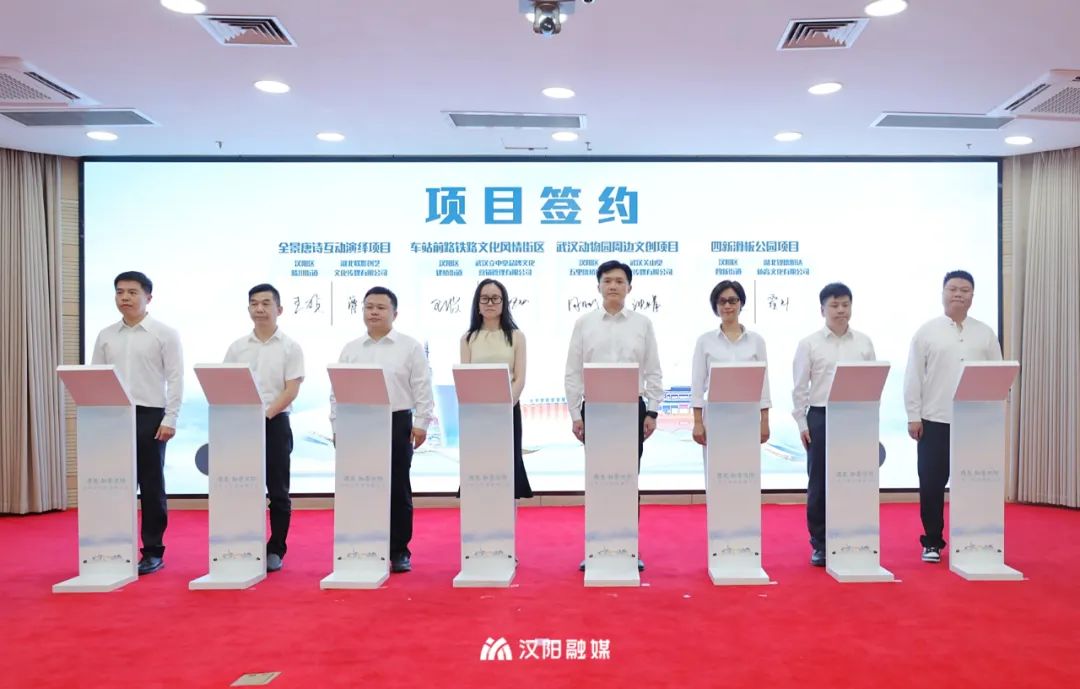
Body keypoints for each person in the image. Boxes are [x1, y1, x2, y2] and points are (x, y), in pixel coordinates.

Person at [565, 260, 663, 572]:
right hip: (595, 410)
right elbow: (572, 372)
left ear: (629, 287)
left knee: (627, 480)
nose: (613, 286)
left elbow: (653, 370)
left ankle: (627, 548)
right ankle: (596, 549)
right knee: (598, 480)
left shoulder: (642, 324)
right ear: (598, 286)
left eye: (620, 281)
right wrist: (575, 414)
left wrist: (652, 411)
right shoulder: (584, 323)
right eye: (607, 280)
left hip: (631, 410)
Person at [332, 287, 433, 574]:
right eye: (369, 307)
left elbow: (422, 386)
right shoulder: (351, 349)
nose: (373, 312)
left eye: (380, 307)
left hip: (396, 421)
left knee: (398, 488)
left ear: (394, 313)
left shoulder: (409, 347)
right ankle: (364, 546)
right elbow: (337, 391)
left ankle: (399, 550)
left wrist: (421, 423)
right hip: (358, 423)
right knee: (361, 486)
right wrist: (337, 425)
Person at [904, 270, 1002, 564]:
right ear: (943, 293)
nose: (959, 294)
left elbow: (998, 374)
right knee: (931, 484)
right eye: (953, 289)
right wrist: (913, 415)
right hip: (935, 419)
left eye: (965, 290)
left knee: (974, 483)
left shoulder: (985, 333)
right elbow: (913, 376)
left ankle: (972, 539)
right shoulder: (926, 332)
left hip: (975, 422)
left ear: (972, 296)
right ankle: (932, 541)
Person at [90, 270, 183, 576]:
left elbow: (175, 378)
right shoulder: (106, 335)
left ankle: (153, 551)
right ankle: (114, 547)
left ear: (148, 297)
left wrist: (170, 418)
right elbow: (95, 378)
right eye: (119, 292)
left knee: (151, 486)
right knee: (114, 484)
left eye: (132, 292)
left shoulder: (165, 333)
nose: (125, 298)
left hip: (150, 416)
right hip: (113, 416)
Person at [792, 282, 875, 567]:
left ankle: (853, 537)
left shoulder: (864, 343)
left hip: (856, 417)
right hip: (821, 416)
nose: (841, 310)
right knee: (820, 483)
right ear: (822, 310)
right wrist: (802, 423)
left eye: (845, 305)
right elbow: (800, 389)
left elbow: (872, 383)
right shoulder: (809, 344)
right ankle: (821, 543)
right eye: (834, 305)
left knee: (855, 479)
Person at [223, 284, 305, 573]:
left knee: (278, 491)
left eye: (266, 303)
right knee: (243, 487)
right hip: (241, 426)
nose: (259, 308)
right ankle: (246, 543)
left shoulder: (290, 347)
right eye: (254, 303)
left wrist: (266, 414)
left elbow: (291, 390)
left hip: (275, 423)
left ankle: (276, 548)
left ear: (279, 309)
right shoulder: (237, 348)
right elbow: (226, 383)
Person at [460, 279, 533, 498]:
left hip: (508, 411)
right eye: (485, 299)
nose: (490, 303)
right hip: (477, 413)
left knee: (508, 463)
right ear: (477, 304)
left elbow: (520, 378)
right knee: (479, 463)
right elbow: (466, 378)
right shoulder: (468, 338)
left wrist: (506, 405)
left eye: (495, 298)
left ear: (503, 302)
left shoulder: (517, 336)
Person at [690, 279, 771, 449]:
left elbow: (764, 385)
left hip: (748, 417)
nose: (727, 306)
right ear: (716, 306)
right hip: (715, 417)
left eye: (733, 300)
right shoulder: (705, 341)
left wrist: (765, 421)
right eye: (722, 301)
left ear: (741, 303)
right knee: (716, 465)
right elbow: (697, 385)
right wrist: (697, 422)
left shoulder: (756, 341)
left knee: (746, 464)